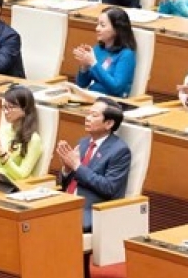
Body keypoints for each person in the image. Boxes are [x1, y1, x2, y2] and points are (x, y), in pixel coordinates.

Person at [56, 99, 131, 231]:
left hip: (90, 210)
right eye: (88, 113)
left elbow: (109, 188)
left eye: (94, 115)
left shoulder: (120, 151)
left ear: (109, 123)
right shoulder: (84, 143)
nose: (87, 118)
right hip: (66, 201)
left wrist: (77, 166)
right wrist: (67, 170)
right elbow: (66, 183)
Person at [0, 85, 42, 180]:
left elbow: (21, 175)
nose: (6, 112)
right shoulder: (3, 130)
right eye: (4, 107)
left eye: (11, 107)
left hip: (10, 185)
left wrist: (0, 152)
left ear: (25, 109)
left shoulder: (34, 140)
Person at [73, 8, 137, 97]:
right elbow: (82, 84)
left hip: (112, 103)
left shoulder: (126, 55)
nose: (97, 28)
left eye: (102, 25)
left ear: (116, 30)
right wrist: (84, 67)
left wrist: (93, 63)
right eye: (98, 24)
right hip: (92, 97)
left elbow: (116, 88)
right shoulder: (98, 49)